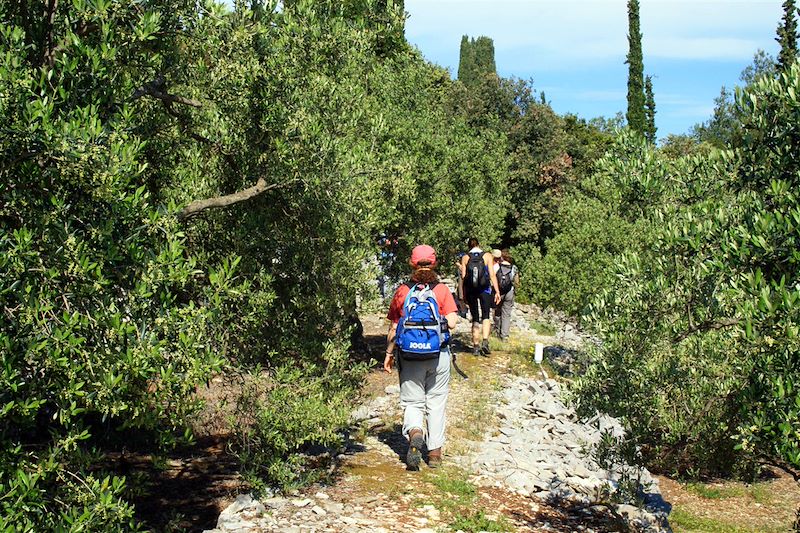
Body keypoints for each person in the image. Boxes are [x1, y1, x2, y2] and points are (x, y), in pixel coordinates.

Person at [384, 245, 459, 470]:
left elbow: (394, 327)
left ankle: (415, 432)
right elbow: (453, 322)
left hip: (409, 355)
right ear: (434, 263)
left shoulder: (403, 291)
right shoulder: (441, 290)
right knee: (436, 401)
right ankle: (434, 453)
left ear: (411, 263)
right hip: (439, 354)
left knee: (413, 401)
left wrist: (388, 354)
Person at [458, 238, 500, 356]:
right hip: (484, 289)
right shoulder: (487, 256)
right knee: (486, 315)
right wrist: (496, 291)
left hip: (471, 290)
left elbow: (463, 276)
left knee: (475, 317)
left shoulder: (465, 257)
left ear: (468, 246)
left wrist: (462, 294)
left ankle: (476, 346)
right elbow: (492, 275)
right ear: (479, 244)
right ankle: (485, 341)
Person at [493, 249, 520, 341]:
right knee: (507, 314)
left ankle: (497, 331)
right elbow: (517, 282)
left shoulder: (496, 266)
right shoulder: (514, 268)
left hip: (498, 292)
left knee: (497, 311)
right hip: (509, 292)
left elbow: (491, 278)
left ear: (501, 257)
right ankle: (504, 336)